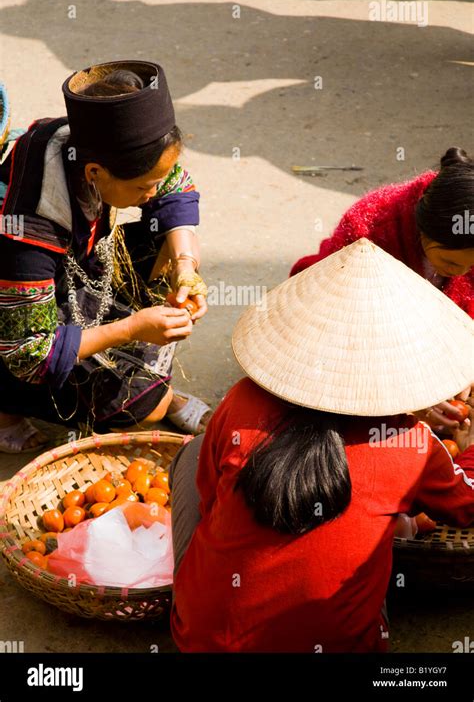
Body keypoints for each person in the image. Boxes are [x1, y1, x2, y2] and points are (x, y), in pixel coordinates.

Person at [168, 238, 474, 652]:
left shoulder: (242, 401)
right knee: (374, 552)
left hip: (207, 641)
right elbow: (465, 508)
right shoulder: (411, 443)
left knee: (195, 451)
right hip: (340, 646)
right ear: (399, 363)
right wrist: (467, 447)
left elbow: (209, 502)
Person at [0, 60, 212, 453]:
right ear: (96, 172)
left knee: (162, 245)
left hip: (65, 275)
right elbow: (28, 353)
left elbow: (174, 184)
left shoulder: (82, 142)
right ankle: (6, 405)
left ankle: (150, 387)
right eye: (141, 188)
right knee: (139, 405)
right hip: (13, 325)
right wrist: (130, 329)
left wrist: (185, 265)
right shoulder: (28, 232)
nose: (151, 194)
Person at [289, 148, 474, 434]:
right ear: (422, 231)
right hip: (363, 346)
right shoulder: (369, 233)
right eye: (449, 262)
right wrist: (409, 402)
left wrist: (462, 366)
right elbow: (340, 334)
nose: (461, 274)